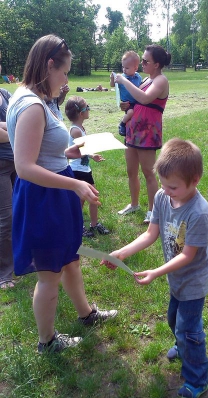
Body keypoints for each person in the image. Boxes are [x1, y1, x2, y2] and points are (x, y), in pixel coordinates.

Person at [6, 35, 117, 353]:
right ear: (49, 65)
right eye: (65, 72)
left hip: (55, 192)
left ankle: (86, 315)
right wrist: (75, 184)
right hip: (44, 198)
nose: (67, 80)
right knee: (49, 276)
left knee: (70, 260)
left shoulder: (36, 97)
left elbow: (46, 151)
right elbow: (25, 167)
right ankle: (47, 341)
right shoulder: (31, 106)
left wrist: (76, 151)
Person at [102, 138, 208, 398]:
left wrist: (156, 272)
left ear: (194, 180)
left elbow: (188, 255)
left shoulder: (199, 213)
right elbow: (151, 233)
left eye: (172, 186)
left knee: (190, 328)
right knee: (174, 319)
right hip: (176, 279)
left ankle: (198, 379)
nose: (165, 190)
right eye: (162, 184)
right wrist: (122, 252)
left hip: (193, 281)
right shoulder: (163, 197)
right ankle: (182, 343)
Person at [114, 45, 171, 223]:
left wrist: (124, 81)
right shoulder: (146, 80)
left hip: (147, 132)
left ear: (157, 64)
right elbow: (137, 100)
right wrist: (127, 106)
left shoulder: (161, 81)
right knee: (131, 170)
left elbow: (145, 98)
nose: (143, 63)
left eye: (146, 61)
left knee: (148, 172)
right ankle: (134, 204)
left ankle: (153, 211)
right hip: (133, 130)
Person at [65, 95, 110, 238]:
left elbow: (84, 149)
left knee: (93, 196)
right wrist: (92, 153)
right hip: (78, 170)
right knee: (82, 200)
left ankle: (94, 224)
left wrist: (92, 155)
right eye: (87, 107)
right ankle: (78, 226)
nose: (89, 109)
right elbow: (80, 150)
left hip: (84, 169)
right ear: (81, 113)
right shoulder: (76, 131)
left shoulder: (80, 128)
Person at [0, 71, 17, 289]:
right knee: (6, 218)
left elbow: (18, 119)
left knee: (19, 213)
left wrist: (6, 127)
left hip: (17, 162)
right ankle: (4, 273)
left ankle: (20, 259)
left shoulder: (5, 93)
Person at [110, 51, 142, 136]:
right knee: (130, 112)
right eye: (123, 67)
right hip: (127, 102)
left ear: (135, 68)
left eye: (127, 68)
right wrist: (112, 79)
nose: (124, 69)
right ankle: (122, 124)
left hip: (136, 101)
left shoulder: (138, 77)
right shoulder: (121, 77)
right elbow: (113, 85)